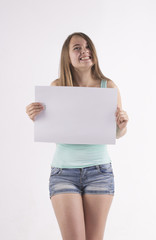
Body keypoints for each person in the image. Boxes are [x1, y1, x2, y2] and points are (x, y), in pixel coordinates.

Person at [26, 32, 129, 240]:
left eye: (88, 46)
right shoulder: (57, 87)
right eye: (77, 48)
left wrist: (122, 125)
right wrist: (34, 116)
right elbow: (51, 126)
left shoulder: (108, 87)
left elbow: (117, 133)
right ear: (67, 56)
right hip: (63, 173)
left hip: (99, 172)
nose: (85, 51)